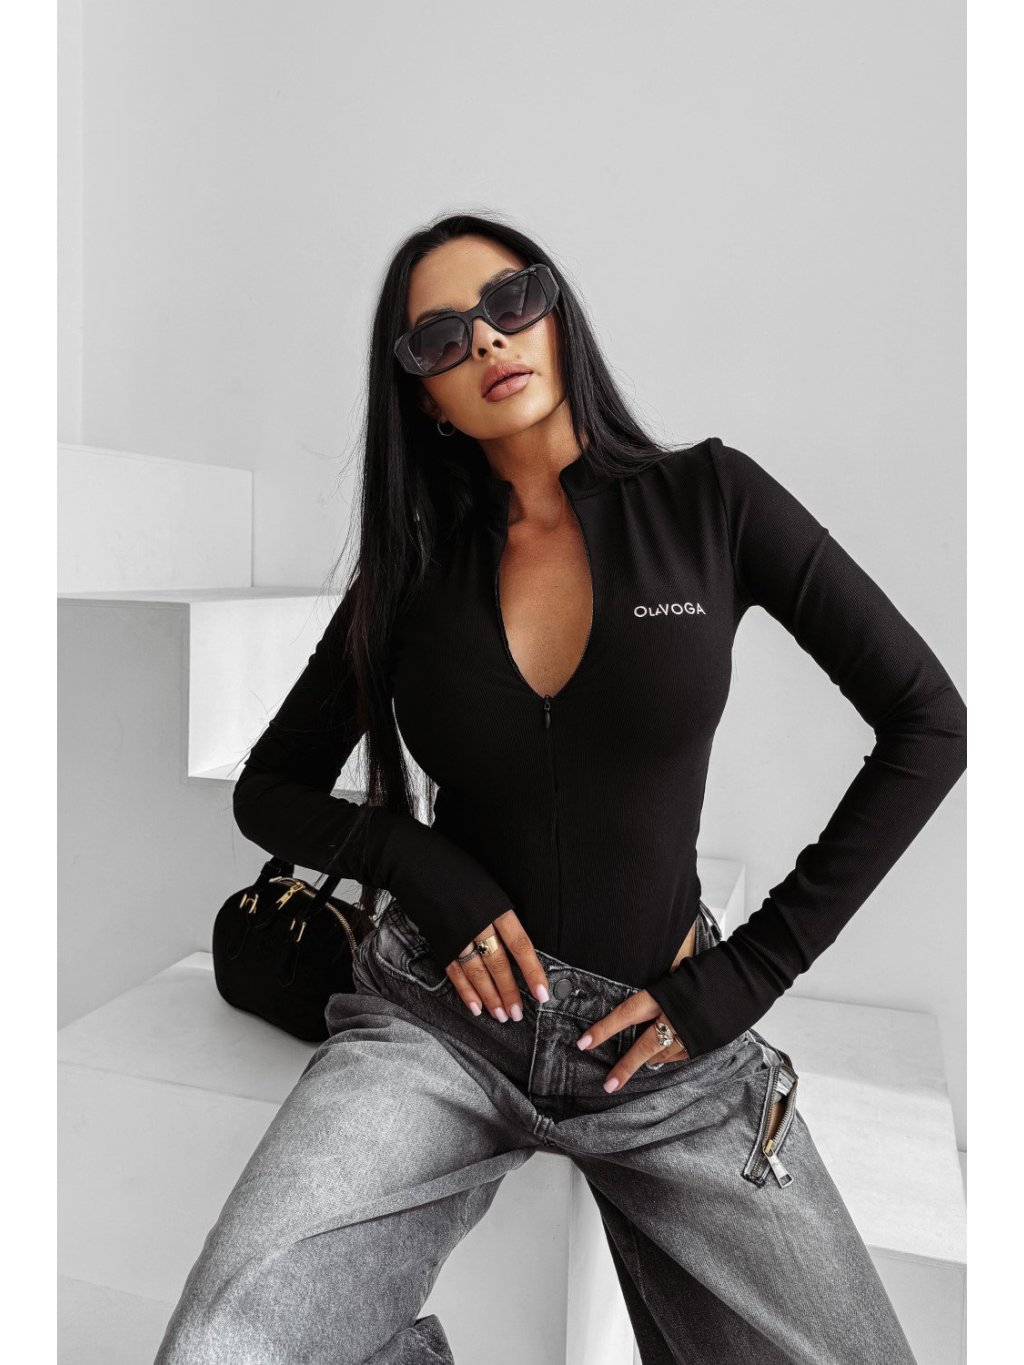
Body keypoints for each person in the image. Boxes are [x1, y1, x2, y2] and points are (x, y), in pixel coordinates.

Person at [155, 213, 966, 1364]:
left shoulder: (711, 498)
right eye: (441, 337)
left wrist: (748, 975)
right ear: (426, 398)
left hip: (665, 1051)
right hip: (440, 1025)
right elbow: (270, 791)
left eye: (509, 301)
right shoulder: (413, 571)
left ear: (555, 313)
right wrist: (423, 869)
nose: (486, 340)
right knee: (220, 1348)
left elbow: (930, 722)